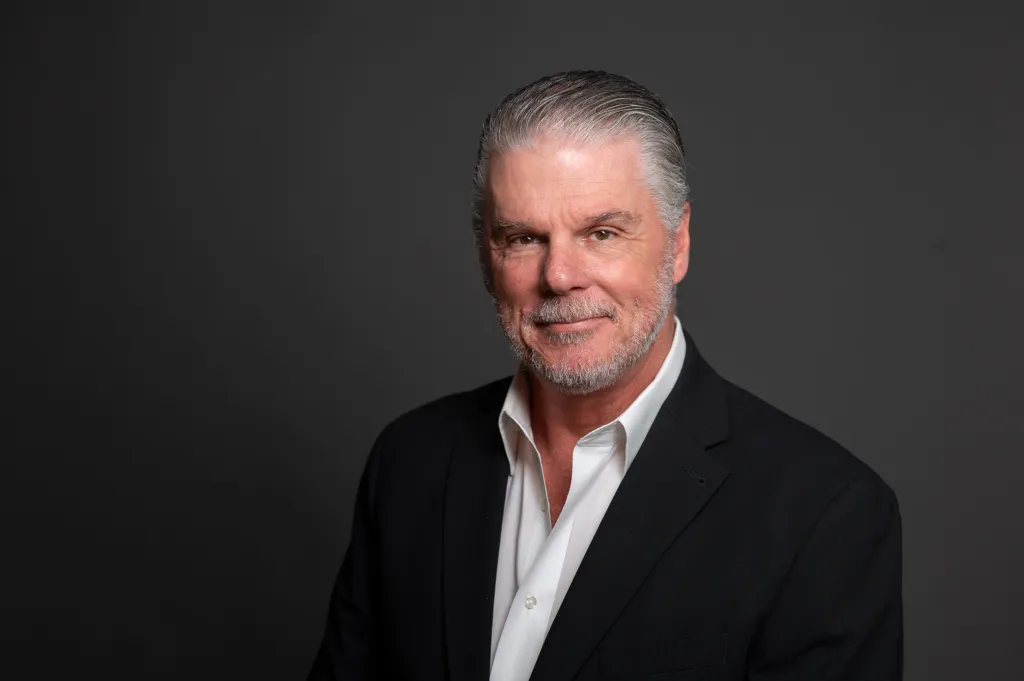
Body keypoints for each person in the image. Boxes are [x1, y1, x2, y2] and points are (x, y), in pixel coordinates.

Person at [307, 70, 903, 681]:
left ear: (677, 243)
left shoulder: (824, 514)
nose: (559, 275)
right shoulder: (410, 462)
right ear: (487, 255)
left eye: (602, 233)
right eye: (524, 237)